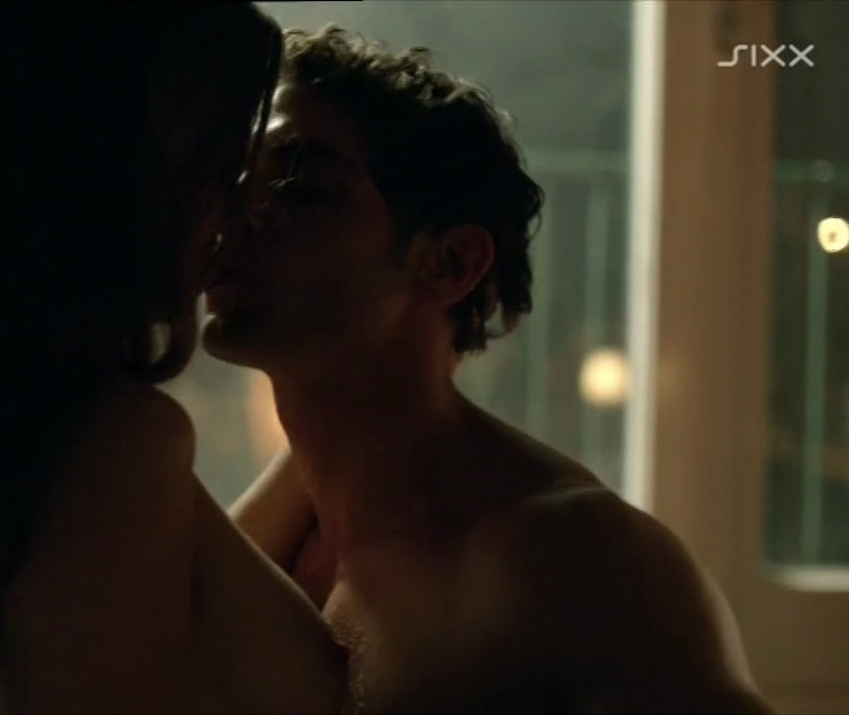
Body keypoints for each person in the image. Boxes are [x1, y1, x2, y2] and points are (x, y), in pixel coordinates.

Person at [0, 3, 348, 714]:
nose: (238, 217)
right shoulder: (114, 444)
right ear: (116, 177)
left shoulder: (2, 418)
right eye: (219, 166)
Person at [209, 27, 776, 714]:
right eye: (237, 182)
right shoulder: (273, 537)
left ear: (449, 264)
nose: (229, 220)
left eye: (295, 187)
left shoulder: (585, 565)